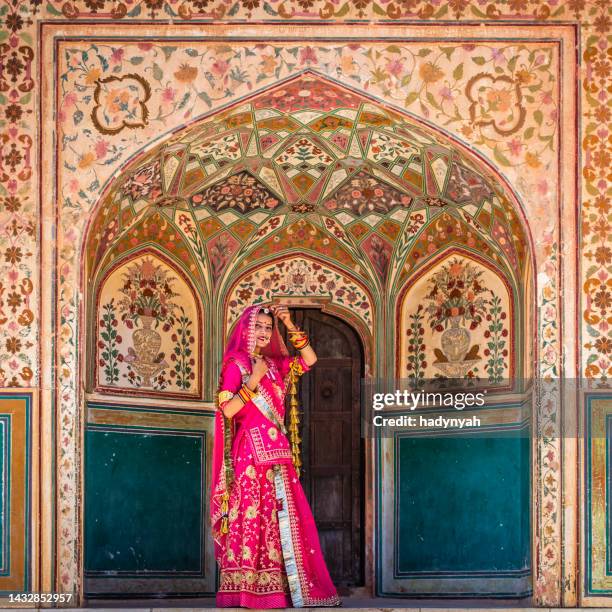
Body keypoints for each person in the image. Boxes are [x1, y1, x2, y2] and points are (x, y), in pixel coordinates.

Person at [210, 303, 341, 608]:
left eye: (268, 328)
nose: (263, 333)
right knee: (253, 518)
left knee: (281, 521)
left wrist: (288, 322)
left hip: (278, 454)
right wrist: (252, 380)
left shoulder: (275, 364)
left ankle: (280, 590)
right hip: (250, 455)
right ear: (246, 329)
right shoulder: (236, 365)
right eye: (258, 326)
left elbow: (310, 359)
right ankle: (246, 591)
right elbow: (227, 410)